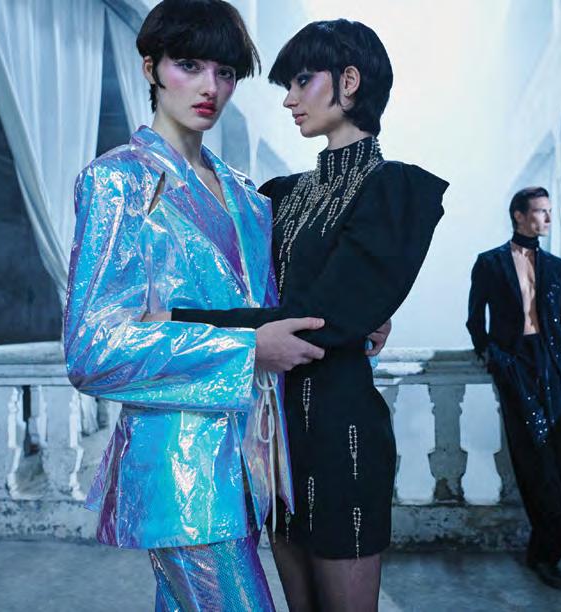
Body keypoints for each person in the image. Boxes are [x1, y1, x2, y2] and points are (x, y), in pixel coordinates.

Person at [166, 19, 448, 611]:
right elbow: (249, 290)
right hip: (273, 434)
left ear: (349, 81)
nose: (289, 99)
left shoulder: (398, 190)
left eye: (301, 81)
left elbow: (318, 321)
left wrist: (176, 320)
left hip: (342, 433)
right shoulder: (280, 194)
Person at [63, 2, 326, 609]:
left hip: (251, 462)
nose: (211, 87)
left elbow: (270, 311)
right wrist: (245, 349)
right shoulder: (117, 182)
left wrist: (356, 321)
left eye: (226, 72)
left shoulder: (248, 198)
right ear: (150, 67)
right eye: (189, 65)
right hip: (178, 473)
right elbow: (92, 348)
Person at [465, 187, 561, 592]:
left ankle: (542, 554)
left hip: (555, 366)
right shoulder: (489, 263)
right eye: (541, 212)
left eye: (549, 211)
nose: (548, 219)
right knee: (535, 461)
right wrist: (493, 357)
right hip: (515, 366)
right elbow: (474, 320)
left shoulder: (558, 268)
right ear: (519, 216)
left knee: (558, 464)